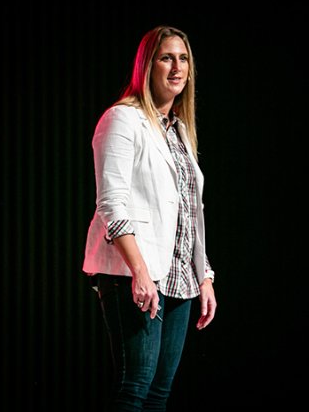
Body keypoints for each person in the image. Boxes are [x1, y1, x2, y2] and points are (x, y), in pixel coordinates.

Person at [82, 25, 217, 411]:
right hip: (135, 274)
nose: (177, 67)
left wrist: (203, 274)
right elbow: (111, 203)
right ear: (146, 66)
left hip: (179, 278)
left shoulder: (179, 133)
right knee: (135, 387)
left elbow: (190, 212)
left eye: (183, 58)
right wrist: (139, 271)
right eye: (166, 58)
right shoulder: (122, 119)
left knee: (158, 393)